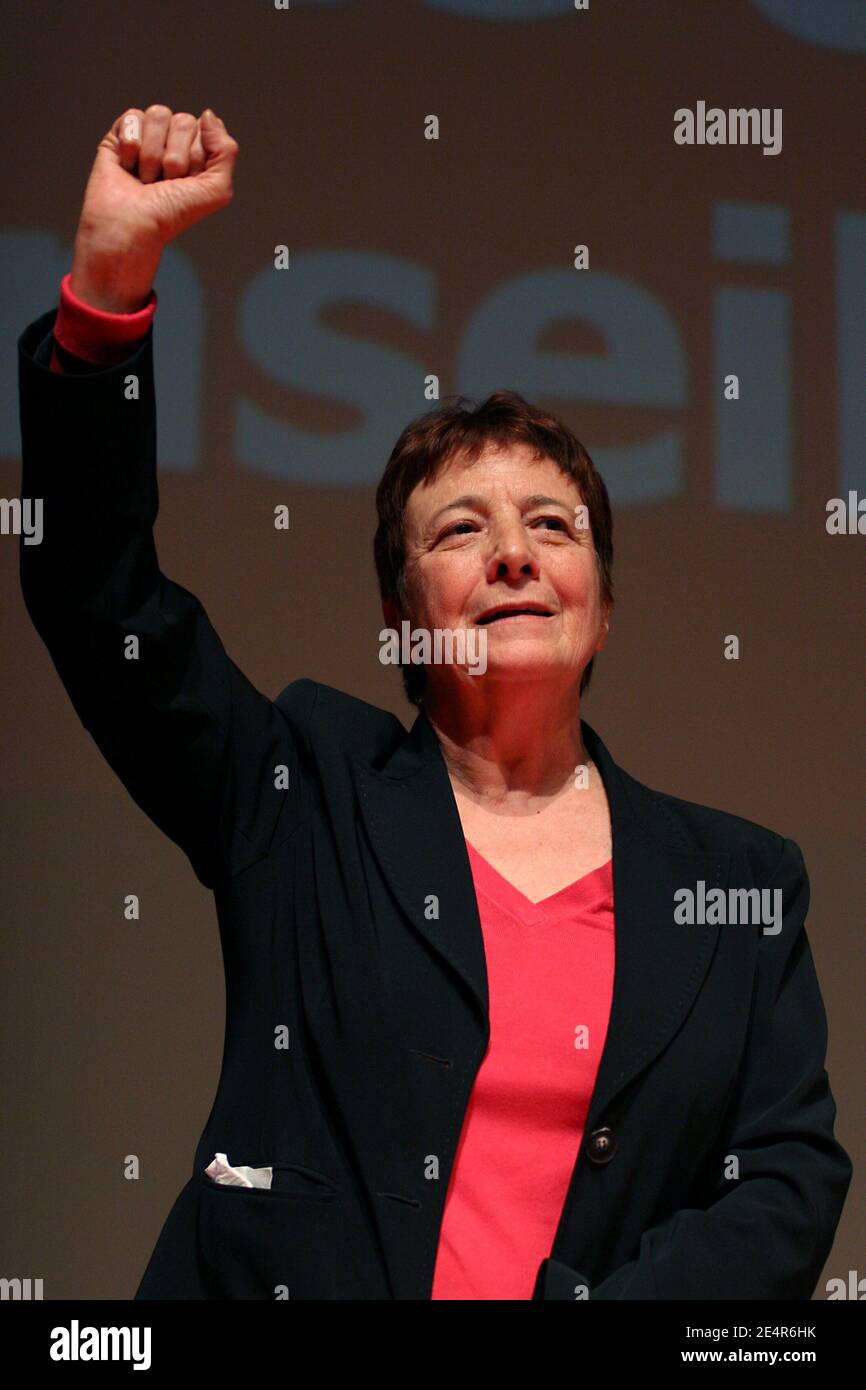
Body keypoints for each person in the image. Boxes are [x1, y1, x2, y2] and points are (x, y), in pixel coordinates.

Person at [17, 106, 852, 1300]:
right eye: (461, 530)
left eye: (550, 526)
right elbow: (103, 603)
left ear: (600, 608)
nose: (513, 554)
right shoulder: (299, 795)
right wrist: (107, 294)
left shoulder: (737, 882)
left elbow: (782, 1176)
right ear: (403, 613)